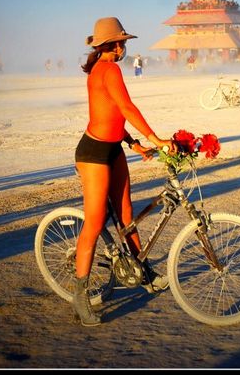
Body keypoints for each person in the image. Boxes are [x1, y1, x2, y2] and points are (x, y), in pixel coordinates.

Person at [74, 17, 176, 326]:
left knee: (126, 213)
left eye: (124, 42)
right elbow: (128, 108)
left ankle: (141, 271)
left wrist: (133, 143)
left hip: (114, 149)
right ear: (108, 45)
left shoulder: (103, 70)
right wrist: (156, 139)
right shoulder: (107, 69)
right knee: (92, 224)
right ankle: (80, 298)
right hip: (93, 154)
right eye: (119, 43)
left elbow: (113, 113)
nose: (123, 47)